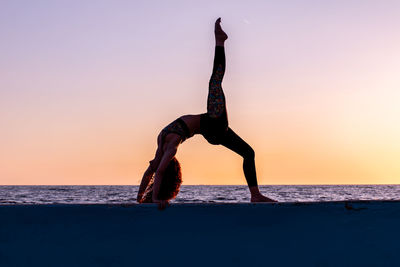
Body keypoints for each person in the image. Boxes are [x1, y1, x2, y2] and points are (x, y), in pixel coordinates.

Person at [137, 18, 277, 209]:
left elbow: (150, 173)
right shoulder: (170, 147)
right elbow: (158, 173)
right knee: (215, 82)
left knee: (248, 153)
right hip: (212, 124)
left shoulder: (160, 145)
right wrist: (154, 201)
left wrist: (138, 200)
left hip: (211, 129)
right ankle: (219, 41)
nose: (153, 164)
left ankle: (255, 195)